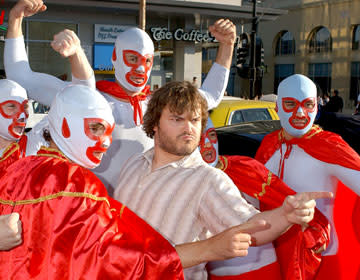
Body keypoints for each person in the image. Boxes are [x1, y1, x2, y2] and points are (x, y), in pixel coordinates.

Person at [5, 0, 235, 193]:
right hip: (91, 209)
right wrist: (16, 20)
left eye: (147, 61)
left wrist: (226, 46)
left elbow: (211, 97)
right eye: (132, 59)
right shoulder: (89, 100)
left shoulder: (161, 104)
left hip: (143, 212)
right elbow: (22, 76)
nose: (140, 69)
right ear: (115, 56)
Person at [113, 80, 333, 280]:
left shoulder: (207, 180)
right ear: (155, 123)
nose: (189, 128)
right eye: (177, 119)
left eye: (195, 120)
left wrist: (286, 215)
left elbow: (253, 228)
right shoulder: (133, 164)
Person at [255, 74, 360, 279]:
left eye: (308, 104)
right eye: (290, 104)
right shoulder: (269, 145)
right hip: (272, 253)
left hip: (320, 258)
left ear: (317, 107)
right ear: (277, 107)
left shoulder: (329, 146)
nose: (300, 113)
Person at [200, 118, 330, 280]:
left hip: (267, 269)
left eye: (211, 135)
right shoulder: (180, 182)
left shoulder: (245, 167)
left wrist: (307, 218)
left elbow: (277, 199)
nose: (206, 143)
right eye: (198, 137)